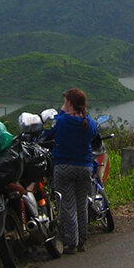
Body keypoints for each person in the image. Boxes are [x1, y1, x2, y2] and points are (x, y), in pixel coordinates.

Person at [51, 87, 98, 253]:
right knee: (82, 204)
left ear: (69, 102)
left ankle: (71, 243)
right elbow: (93, 134)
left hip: (64, 166)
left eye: (65, 101)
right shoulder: (89, 123)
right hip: (85, 166)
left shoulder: (62, 121)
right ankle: (82, 242)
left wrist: (61, 112)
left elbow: (50, 132)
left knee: (67, 206)